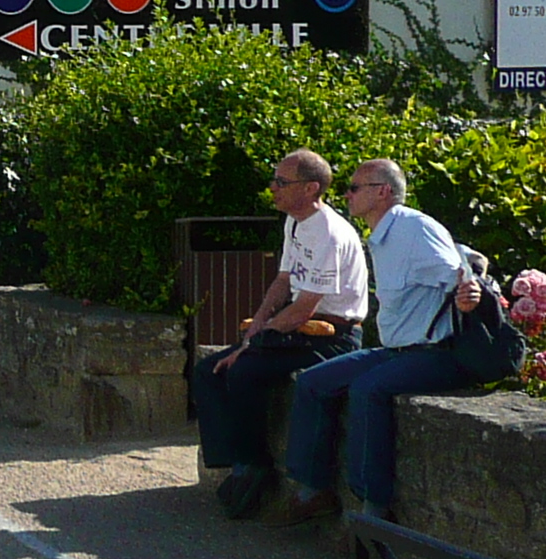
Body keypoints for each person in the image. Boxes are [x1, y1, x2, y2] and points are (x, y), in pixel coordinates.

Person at [277, 159, 478, 525]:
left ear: (383, 192)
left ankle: (373, 514)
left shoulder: (412, 229)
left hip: (437, 351)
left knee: (369, 391)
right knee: (313, 381)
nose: (346, 194)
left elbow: (463, 272)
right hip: (399, 349)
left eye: (355, 188)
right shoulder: (383, 233)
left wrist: (468, 294)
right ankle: (312, 491)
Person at [190, 151, 366, 520]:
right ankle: (234, 464)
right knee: (208, 370)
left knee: (243, 370)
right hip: (301, 329)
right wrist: (255, 326)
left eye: (282, 182)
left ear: (310, 188)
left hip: (331, 335)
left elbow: (304, 308)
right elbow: (283, 281)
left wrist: (252, 345)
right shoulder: (295, 222)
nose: (273, 188)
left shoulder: (329, 233)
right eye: (275, 180)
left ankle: (256, 467)